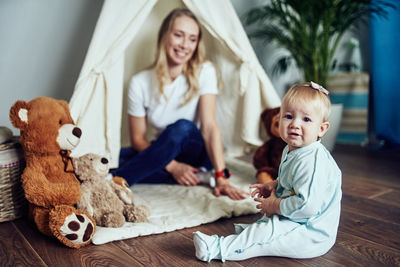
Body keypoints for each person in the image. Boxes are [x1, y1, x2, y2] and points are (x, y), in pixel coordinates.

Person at [193, 82, 342, 261]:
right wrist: (274, 184)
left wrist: (275, 205)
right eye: (288, 116)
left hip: (311, 233)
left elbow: (306, 206)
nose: (295, 124)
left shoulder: (312, 161)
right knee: (268, 226)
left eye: (306, 119)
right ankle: (250, 236)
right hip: (296, 220)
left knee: (266, 233)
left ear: (322, 129)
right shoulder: (292, 149)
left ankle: (216, 249)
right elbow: (292, 180)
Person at [110, 8, 247, 200]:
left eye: (192, 39)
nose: (185, 45)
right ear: (165, 36)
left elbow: (209, 126)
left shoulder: (205, 71)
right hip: (165, 154)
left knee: (181, 127)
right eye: (178, 35)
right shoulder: (139, 82)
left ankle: (117, 181)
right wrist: (174, 167)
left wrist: (222, 176)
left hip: (196, 151)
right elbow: (138, 139)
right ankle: (194, 176)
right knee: (114, 157)